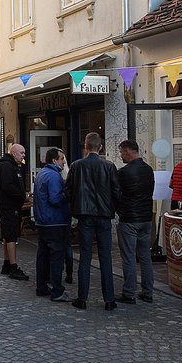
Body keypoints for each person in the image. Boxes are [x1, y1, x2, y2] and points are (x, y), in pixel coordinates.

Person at [65, 133, 120, 311]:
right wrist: (113, 207)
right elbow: (116, 191)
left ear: (86, 147)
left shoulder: (76, 165)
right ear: (100, 147)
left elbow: (68, 190)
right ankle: (109, 300)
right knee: (105, 257)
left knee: (85, 256)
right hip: (104, 215)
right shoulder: (109, 166)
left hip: (84, 214)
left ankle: (82, 298)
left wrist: (75, 205)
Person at [116, 140, 155, 304]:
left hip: (130, 219)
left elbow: (117, 195)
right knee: (145, 256)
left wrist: (119, 209)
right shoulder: (148, 170)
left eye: (121, 153)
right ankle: (148, 292)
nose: (121, 156)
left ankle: (129, 292)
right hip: (146, 218)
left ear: (127, 151)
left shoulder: (124, 172)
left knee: (129, 257)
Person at [33, 147, 71, 302]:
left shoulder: (42, 173)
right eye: (62, 159)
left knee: (43, 256)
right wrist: (67, 194)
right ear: (54, 160)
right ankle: (57, 290)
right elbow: (55, 199)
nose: (63, 162)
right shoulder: (54, 176)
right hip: (54, 221)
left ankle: (41, 287)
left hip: (42, 221)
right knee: (56, 257)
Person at [0, 144, 29, 281]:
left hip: (10, 206)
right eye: (21, 153)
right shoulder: (7, 167)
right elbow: (8, 186)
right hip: (9, 207)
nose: (23, 155)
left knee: (7, 235)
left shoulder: (11, 166)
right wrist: (22, 196)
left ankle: (7, 264)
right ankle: (13, 267)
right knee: (11, 237)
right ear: (13, 153)